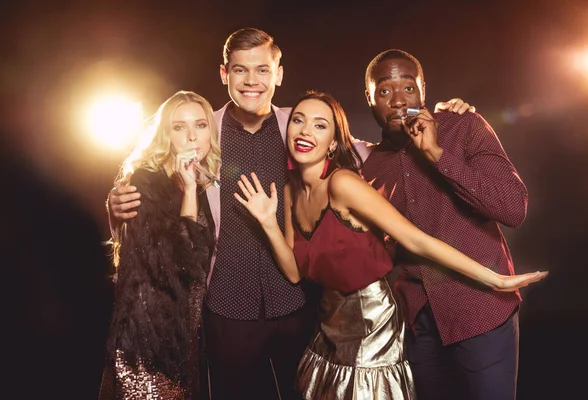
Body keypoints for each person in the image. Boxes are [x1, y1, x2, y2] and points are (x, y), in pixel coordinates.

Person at [107, 28, 475, 400]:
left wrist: (446, 116)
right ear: (224, 74)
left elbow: (377, 148)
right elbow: (161, 190)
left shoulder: (298, 124)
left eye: (263, 70)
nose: (252, 80)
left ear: (278, 74)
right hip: (224, 308)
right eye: (240, 71)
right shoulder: (204, 130)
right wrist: (117, 207)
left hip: (298, 304)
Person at [234, 91, 547, 400]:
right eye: (298, 121)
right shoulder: (290, 190)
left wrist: (496, 279)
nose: (305, 130)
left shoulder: (343, 183)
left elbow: (415, 239)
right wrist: (266, 222)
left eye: (320, 125)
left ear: (333, 142)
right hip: (330, 326)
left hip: (374, 323)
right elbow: (292, 272)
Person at [362, 49, 531, 400]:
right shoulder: (369, 166)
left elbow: (513, 208)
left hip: (481, 310)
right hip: (419, 325)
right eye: (384, 90)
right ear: (369, 98)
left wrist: (439, 156)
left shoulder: (464, 127)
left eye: (408, 88)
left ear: (424, 90)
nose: (397, 100)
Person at [98, 90, 220, 400]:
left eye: (201, 125)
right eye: (179, 127)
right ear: (165, 134)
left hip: (187, 334)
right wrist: (189, 190)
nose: (192, 136)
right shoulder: (145, 182)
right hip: (149, 341)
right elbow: (178, 266)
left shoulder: (207, 183)